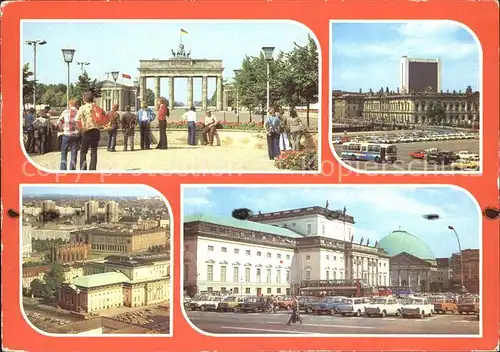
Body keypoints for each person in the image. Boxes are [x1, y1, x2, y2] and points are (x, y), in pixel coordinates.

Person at [75, 91, 102, 170]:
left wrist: (80, 130)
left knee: (83, 151)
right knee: (94, 151)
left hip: (87, 130)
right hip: (96, 131)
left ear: (84, 99)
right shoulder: (97, 107)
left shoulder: (82, 108)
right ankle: (92, 170)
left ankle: (83, 170)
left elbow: (77, 120)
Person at [57, 99, 81, 170]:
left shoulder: (65, 111)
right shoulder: (79, 112)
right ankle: (72, 170)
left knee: (64, 152)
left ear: (70, 104)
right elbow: (81, 124)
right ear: (76, 105)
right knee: (74, 154)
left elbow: (59, 121)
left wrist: (61, 129)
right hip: (75, 136)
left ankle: (63, 169)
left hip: (66, 135)